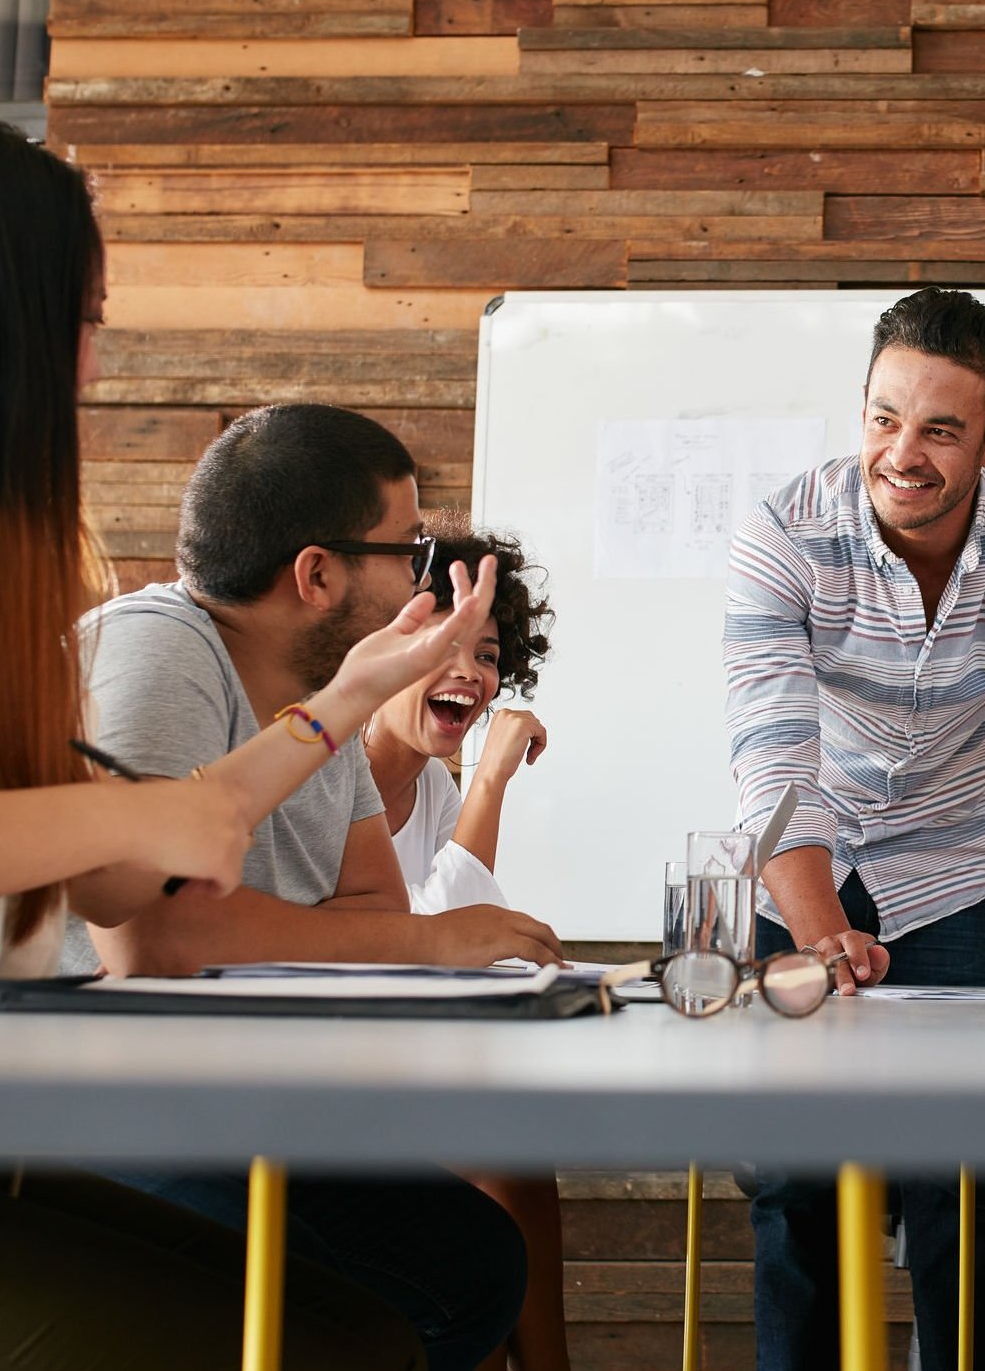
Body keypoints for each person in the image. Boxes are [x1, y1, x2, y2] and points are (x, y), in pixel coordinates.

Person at [0, 116, 483, 1368]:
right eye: (83, 319)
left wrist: (350, 695)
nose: (87, 362)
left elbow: (134, 863)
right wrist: (127, 817)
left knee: (366, 1335)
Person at [71, 405, 555, 1371]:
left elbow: (370, 903)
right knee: (363, 1324)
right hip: (99, 1106)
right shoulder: (161, 646)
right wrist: (438, 939)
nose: (421, 576)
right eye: (407, 549)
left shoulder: (330, 690)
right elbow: (153, 944)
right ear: (317, 572)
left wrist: (254, 924)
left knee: (477, 1264)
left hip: (240, 1100)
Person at [722, 287, 985, 1371]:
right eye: (882, 419)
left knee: (957, 1181)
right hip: (801, 869)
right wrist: (818, 934)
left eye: (941, 430)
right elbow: (775, 756)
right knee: (797, 1187)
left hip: (951, 872)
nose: (901, 454)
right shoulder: (783, 531)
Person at [360, 520, 568, 1371]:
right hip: (316, 1078)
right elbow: (422, 936)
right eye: (443, 641)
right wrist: (489, 782)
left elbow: (467, 935)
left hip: (398, 1067)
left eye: (485, 652)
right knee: (491, 1160)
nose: (471, 674)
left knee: (516, 1155)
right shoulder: (330, 775)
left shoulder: (427, 789)